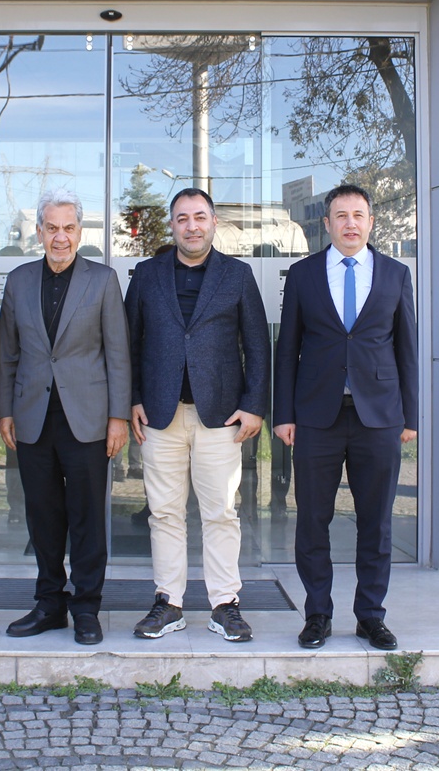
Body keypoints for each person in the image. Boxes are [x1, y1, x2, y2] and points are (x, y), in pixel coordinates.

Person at [273, 184, 418, 651]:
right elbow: (287, 348)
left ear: (371, 222)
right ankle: (317, 614)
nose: (350, 223)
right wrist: (283, 414)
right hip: (317, 417)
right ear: (327, 224)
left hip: (379, 416)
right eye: (341, 215)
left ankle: (371, 616)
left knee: (376, 522)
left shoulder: (396, 274)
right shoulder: (303, 274)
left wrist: (410, 416)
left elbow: (407, 350)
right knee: (312, 520)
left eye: (358, 215)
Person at [125, 187, 270, 642]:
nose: (192, 226)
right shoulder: (146, 275)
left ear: (213, 223)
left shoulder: (237, 275)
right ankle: (168, 602)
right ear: (172, 225)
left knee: (221, 513)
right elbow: (128, 342)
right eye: (183, 218)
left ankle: (225, 604)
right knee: (164, 513)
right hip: (159, 416)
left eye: (200, 217)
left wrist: (254, 406)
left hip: (220, 417)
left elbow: (258, 345)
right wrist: (132, 398)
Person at [0, 188, 131, 645]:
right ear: (38, 232)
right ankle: (49, 603)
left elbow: (118, 354)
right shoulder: (18, 282)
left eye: (68, 228)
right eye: (51, 228)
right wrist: (4, 412)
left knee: (88, 516)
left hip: (88, 418)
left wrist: (117, 418)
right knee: (43, 515)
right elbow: (8, 354)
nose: (60, 237)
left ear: (79, 231)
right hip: (32, 417)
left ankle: (87, 607)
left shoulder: (103, 280)